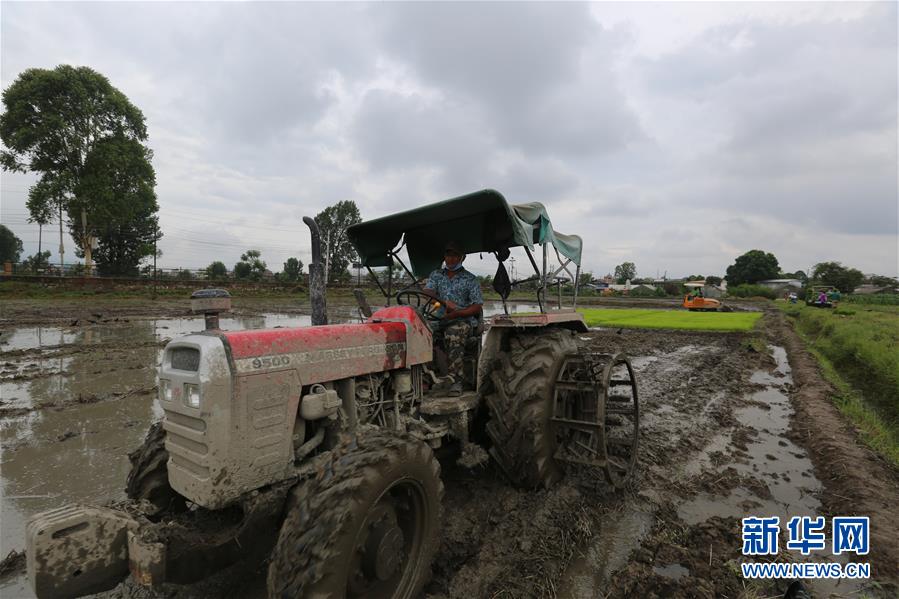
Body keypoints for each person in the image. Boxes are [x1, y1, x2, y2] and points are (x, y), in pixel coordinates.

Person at [424, 241, 484, 396]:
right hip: (438, 318)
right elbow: (428, 292)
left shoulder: (470, 279)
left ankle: (456, 381)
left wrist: (457, 312)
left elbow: (477, 306)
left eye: (454, 255)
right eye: (448, 255)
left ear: (461, 258)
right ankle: (425, 376)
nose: (450, 259)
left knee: (454, 332)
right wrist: (444, 303)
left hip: (462, 320)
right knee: (421, 331)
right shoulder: (436, 275)